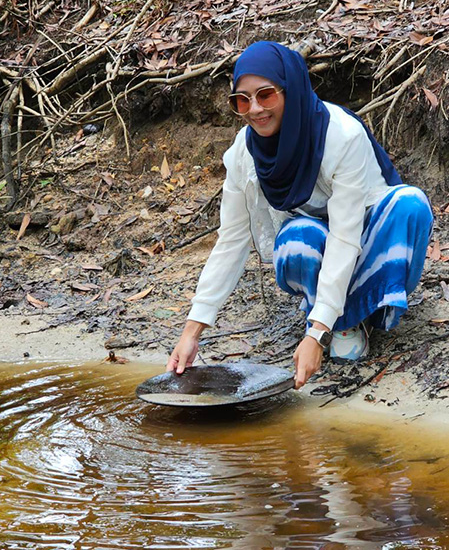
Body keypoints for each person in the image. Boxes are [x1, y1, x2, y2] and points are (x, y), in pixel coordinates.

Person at [166, 41, 433, 389]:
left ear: (290, 90)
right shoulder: (243, 155)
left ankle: (348, 315)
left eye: (265, 95)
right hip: (317, 246)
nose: (255, 109)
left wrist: (317, 332)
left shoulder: (340, 136)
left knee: (410, 204)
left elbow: (345, 235)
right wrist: (192, 331)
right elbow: (232, 240)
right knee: (297, 239)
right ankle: (342, 320)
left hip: (365, 239)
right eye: (241, 100)